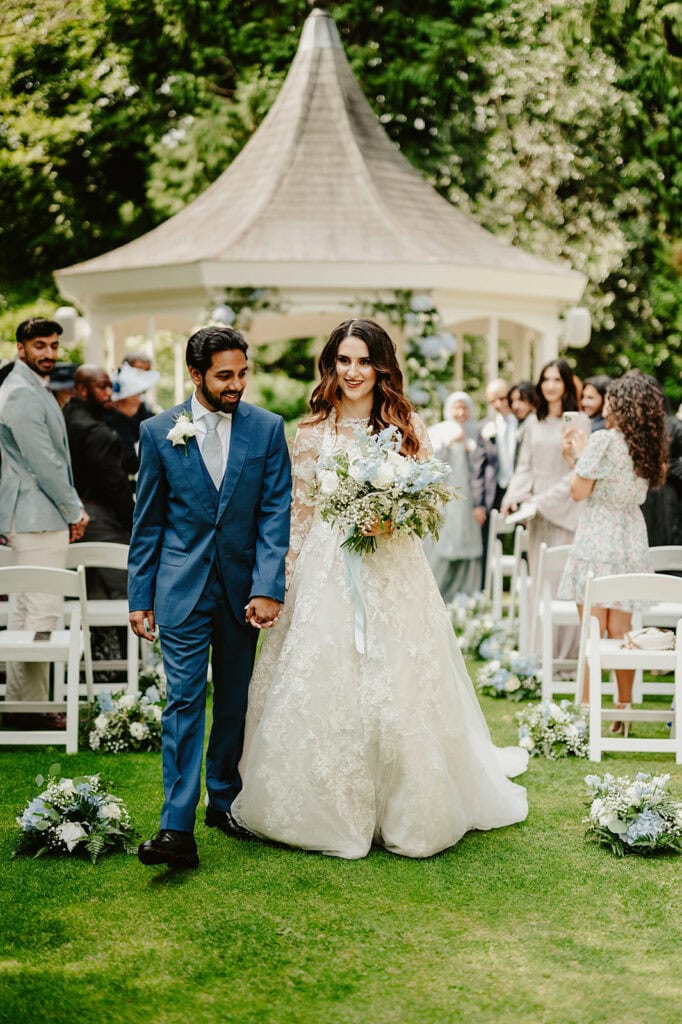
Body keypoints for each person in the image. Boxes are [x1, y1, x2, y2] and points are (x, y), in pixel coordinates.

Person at [231, 319, 528, 860]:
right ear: (331, 364)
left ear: (381, 366)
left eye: (363, 361)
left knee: (399, 678)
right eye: (343, 360)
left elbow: (432, 501)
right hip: (326, 570)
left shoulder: (407, 424)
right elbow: (297, 515)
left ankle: (405, 802)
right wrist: (283, 584)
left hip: (392, 568)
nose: (352, 372)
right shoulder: (311, 432)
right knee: (328, 675)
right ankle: (330, 805)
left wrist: (391, 518)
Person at [129, 325, 291, 870]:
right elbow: (147, 522)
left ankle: (222, 799)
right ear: (195, 374)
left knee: (235, 700)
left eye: (243, 373)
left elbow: (274, 514)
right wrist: (139, 595)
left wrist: (269, 588)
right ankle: (176, 826)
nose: (237, 384)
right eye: (225, 375)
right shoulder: (158, 433)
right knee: (182, 698)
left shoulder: (268, 430)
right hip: (180, 588)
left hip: (243, 590)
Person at [558, 372, 667, 720]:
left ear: (620, 405)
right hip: (631, 535)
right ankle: (623, 711)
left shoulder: (605, 440)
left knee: (592, 631)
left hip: (597, 535)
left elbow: (579, 491)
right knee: (623, 632)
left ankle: (588, 710)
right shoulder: (647, 445)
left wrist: (576, 455)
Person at [0, 317, 88, 728]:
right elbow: (45, 464)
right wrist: (74, 510)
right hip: (36, 516)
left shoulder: (33, 388)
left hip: (36, 514)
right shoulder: (19, 393)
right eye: (40, 346)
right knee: (41, 612)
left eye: (54, 345)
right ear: (21, 348)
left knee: (27, 612)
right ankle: (32, 710)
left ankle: (22, 704)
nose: (49, 354)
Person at [501, 359, 581, 658]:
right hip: (537, 516)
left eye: (557, 380)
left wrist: (542, 502)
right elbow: (525, 468)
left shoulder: (576, 421)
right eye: (546, 379)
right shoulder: (533, 422)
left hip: (567, 510)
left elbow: (578, 472)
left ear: (566, 384)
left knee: (563, 585)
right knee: (540, 583)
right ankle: (539, 656)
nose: (550, 385)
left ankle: (566, 657)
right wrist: (513, 497)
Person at [63, 365, 134, 598]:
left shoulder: (66, 417)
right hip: (98, 517)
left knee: (91, 589)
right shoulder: (95, 432)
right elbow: (113, 486)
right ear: (82, 389)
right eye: (101, 387)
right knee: (127, 584)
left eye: (110, 386)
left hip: (73, 514)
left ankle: (103, 635)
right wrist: (133, 521)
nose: (108, 393)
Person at [425, 391, 482, 599]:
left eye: (465, 407)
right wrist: (449, 443)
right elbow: (428, 458)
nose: (460, 412)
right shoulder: (439, 431)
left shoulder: (477, 432)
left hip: (469, 501)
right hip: (446, 499)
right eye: (456, 407)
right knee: (443, 544)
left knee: (468, 546)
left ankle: (467, 595)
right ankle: (437, 595)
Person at [472, 378, 516, 587]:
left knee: (521, 541)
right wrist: (478, 504)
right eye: (493, 401)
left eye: (502, 398)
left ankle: (521, 586)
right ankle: (486, 587)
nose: (499, 404)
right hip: (493, 491)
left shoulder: (524, 423)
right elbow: (478, 469)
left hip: (518, 490)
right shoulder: (485, 427)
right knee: (487, 543)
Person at [106, 362, 160, 478]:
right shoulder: (115, 423)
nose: (139, 398)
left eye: (140, 393)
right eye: (135, 394)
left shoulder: (142, 413)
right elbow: (130, 463)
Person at [508, 380, 537, 463]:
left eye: (521, 400)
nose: (515, 406)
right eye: (512, 401)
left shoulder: (539, 425)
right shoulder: (516, 425)